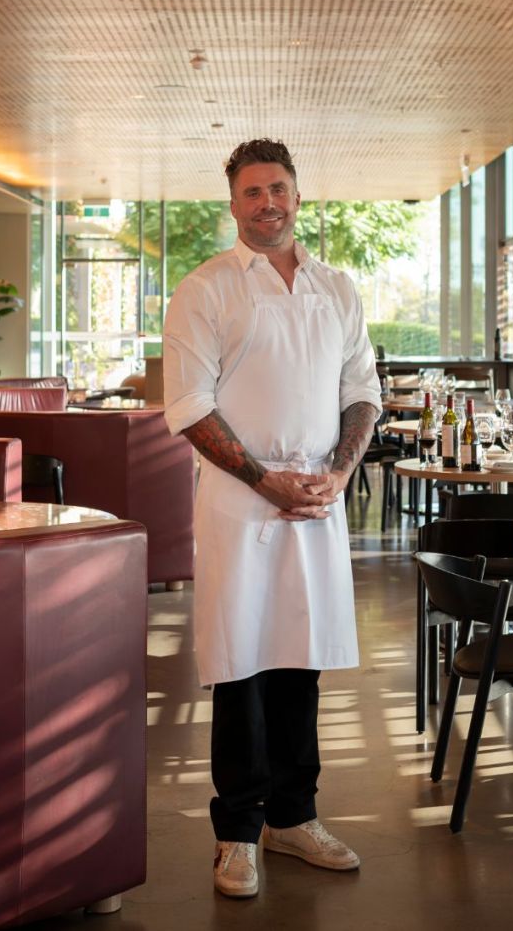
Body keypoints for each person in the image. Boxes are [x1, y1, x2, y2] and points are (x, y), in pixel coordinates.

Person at [163, 138, 382, 899]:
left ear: (298, 194)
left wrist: (337, 473)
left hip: (317, 501)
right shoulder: (207, 288)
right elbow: (189, 406)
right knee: (242, 663)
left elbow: (363, 391)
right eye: (253, 192)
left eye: (279, 189)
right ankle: (238, 833)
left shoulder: (337, 288)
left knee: (301, 657)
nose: (268, 204)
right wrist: (267, 480)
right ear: (233, 204)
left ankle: (296, 817)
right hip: (237, 502)